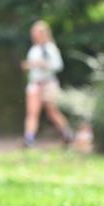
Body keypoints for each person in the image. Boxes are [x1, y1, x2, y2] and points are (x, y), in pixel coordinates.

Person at [21, 20, 74, 148]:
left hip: (48, 84)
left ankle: (67, 134)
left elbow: (58, 66)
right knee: (32, 112)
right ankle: (29, 139)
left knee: (52, 112)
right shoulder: (34, 49)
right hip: (35, 84)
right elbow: (32, 65)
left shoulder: (50, 48)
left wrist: (43, 64)